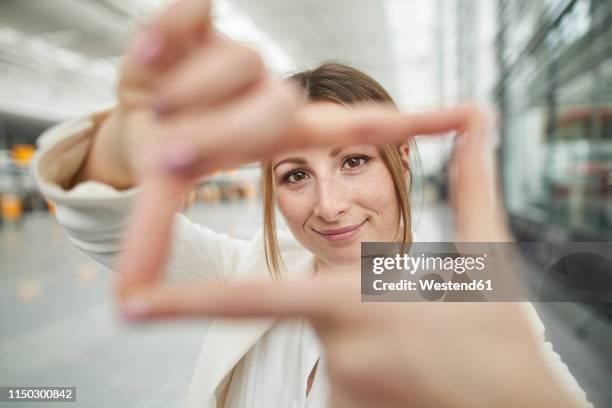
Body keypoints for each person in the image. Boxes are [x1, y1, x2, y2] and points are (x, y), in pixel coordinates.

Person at [31, 0, 591, 406]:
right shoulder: (254, 272)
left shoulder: (468, 293)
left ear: (399, 157)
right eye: (296, 174)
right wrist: (128, 147)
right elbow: (110, 229)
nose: (329, 205)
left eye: (354, 162)